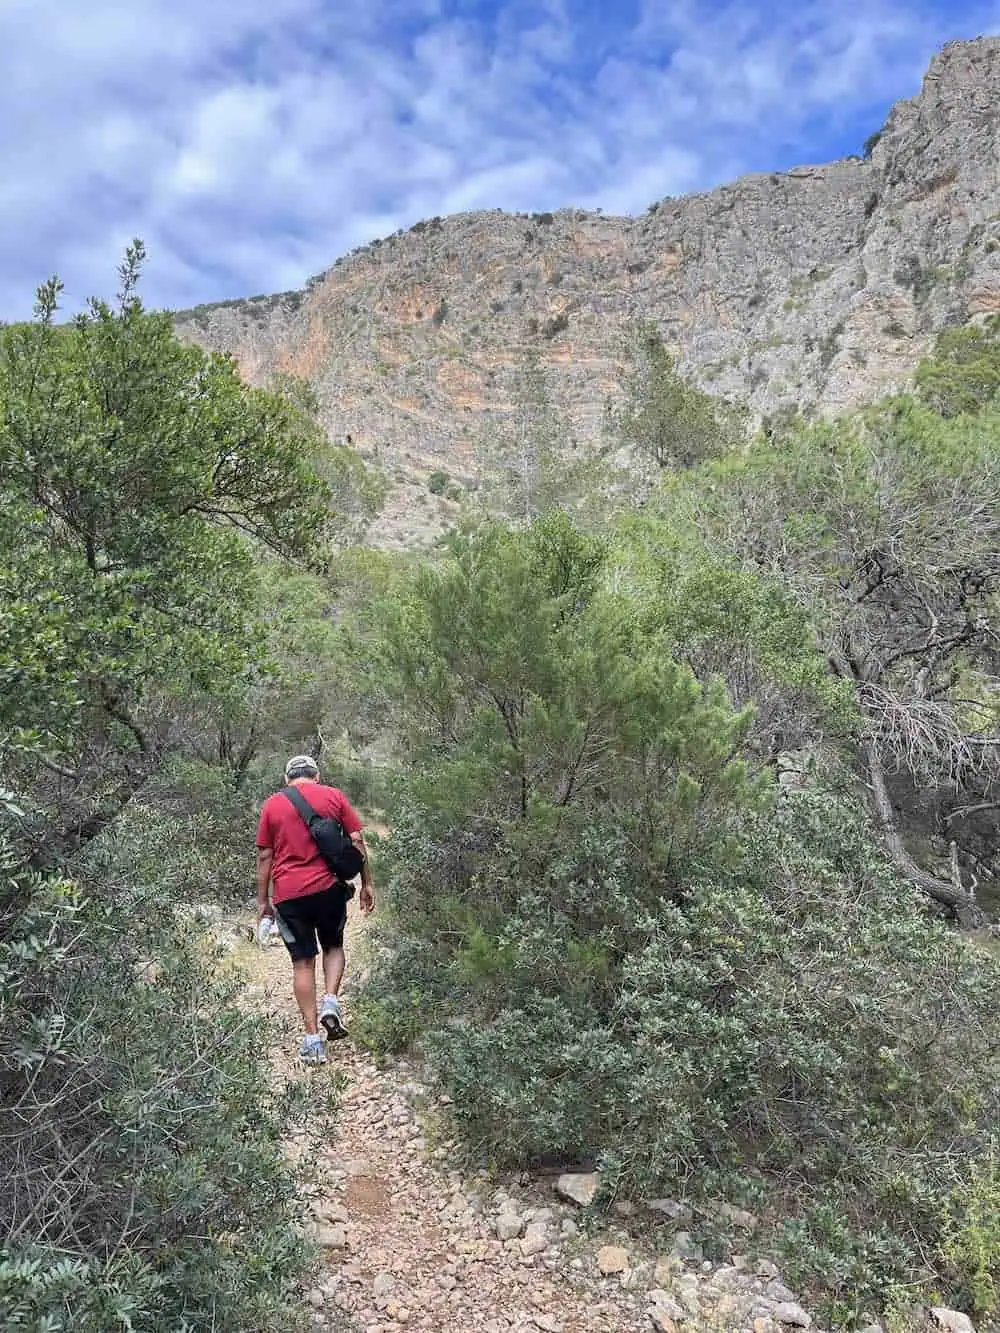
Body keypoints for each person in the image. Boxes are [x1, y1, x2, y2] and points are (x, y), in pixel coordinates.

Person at [256, 755, 375, 1064]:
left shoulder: (272, 805)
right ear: (316, 775)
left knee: (303, 963)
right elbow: (357, 841)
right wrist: (366, 884)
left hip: (289, 895)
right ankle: (331, 1001)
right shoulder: (333, 796)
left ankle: (312, 1040)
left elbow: (264, 857)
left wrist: (262, 902)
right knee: (334, 946)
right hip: (328, 890)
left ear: (287, 779)